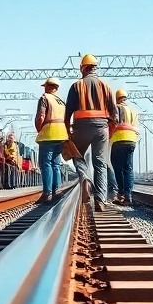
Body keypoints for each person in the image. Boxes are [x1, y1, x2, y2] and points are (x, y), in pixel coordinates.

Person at [65, 53, 118, 211]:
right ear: (95, 68)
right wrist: (110, 129)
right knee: (100, 163)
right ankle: (100, 200)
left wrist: (68, 131)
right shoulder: (105, 86)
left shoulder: (76, 86)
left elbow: (67, 113)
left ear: (83, 68)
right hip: (102, 127)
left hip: (81, 127)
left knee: (77, 155)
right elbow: (114, 114)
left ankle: (85, 179)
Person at [34, 77, 68, 203]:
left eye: (45, 86)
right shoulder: (61, 101)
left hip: (49, 134)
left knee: (45, 163)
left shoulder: (44, 98)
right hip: (61, 134)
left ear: (48, 86)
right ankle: (57, 190)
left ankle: (47, 193)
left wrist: (39, 129)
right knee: (55, 163)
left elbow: (41, 116)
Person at [109, 89, 140, 205]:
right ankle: (128, 196)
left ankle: (121, 193)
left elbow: (110, 125)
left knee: (117, 168)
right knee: (128, 168)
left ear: (116, 98)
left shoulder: (114, 109)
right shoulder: (133, 110)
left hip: (118, 140)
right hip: (131, 140)